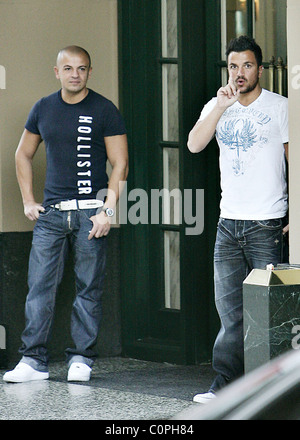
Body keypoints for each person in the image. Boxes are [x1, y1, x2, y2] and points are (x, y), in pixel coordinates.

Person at [3, 45, 128, 383]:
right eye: (69, 68)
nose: (76, 74)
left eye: (82, 68)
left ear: (89, 72)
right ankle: (32, 361)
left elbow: (121, 163)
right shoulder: (43, 108)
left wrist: (108, 211)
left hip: (91, 213)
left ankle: (81, 360)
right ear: (56, 72)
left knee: (89, 287)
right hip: (52, 214)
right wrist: (29, 200)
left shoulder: (104, 109)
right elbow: (22, 154)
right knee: (39, 287)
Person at [187, 36, 288, 403]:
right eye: (233, 66)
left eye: (247, 65)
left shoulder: (280, 107)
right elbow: (194, 144)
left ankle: (270, 390)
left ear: (259, 69)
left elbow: (295, 162)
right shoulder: (218, 105)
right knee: (230, 313)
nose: (240, 73)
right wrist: (220, 107)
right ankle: (224, 385)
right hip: (228, 223)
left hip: (265, 223)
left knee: (268, 313)